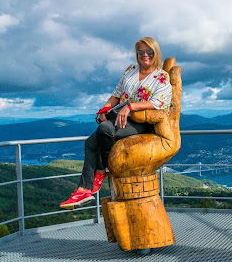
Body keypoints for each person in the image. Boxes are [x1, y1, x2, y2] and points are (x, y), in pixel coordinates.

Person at [59, 37, 172, 209]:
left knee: (104, 129)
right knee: (90, 142)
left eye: (149, 51)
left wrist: (131, 106)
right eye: (140, 52)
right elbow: (117, 94)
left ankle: (101, 169)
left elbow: (159, 103)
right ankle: (84, 189)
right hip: (121, 117)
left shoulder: (161, 77)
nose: (145, 55)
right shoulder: (130, 70)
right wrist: (105, 107)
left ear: (155, 53)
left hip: (143, 121)